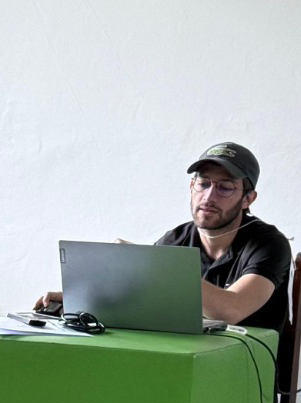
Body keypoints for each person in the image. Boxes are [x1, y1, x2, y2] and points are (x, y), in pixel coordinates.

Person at [36, 143, 291, 337]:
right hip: (185, 361)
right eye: (203, 183)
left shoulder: (269, 244)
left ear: (248, 199)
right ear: (192, 187)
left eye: (225, 187)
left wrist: (152, 265)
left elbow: (231, 310)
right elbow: (138, 297)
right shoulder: (176, 239)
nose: (209, 196)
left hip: (247, 374)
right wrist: (81, 301)